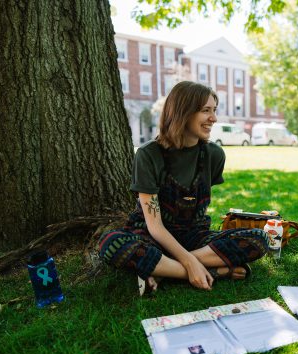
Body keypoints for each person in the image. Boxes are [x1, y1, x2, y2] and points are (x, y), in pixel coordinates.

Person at [99, 81, 268, 293]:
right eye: (206, 111)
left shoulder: (214, 155)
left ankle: (162, 270)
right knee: (111, 243)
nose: (213, 118)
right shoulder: (148, 155)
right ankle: (214, 271)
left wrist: (187, 256)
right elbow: (155, 226)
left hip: (194, 235)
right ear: (183, 112)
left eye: (214, 111)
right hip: (152, 235)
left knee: (259, 239)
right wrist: (189, 263)